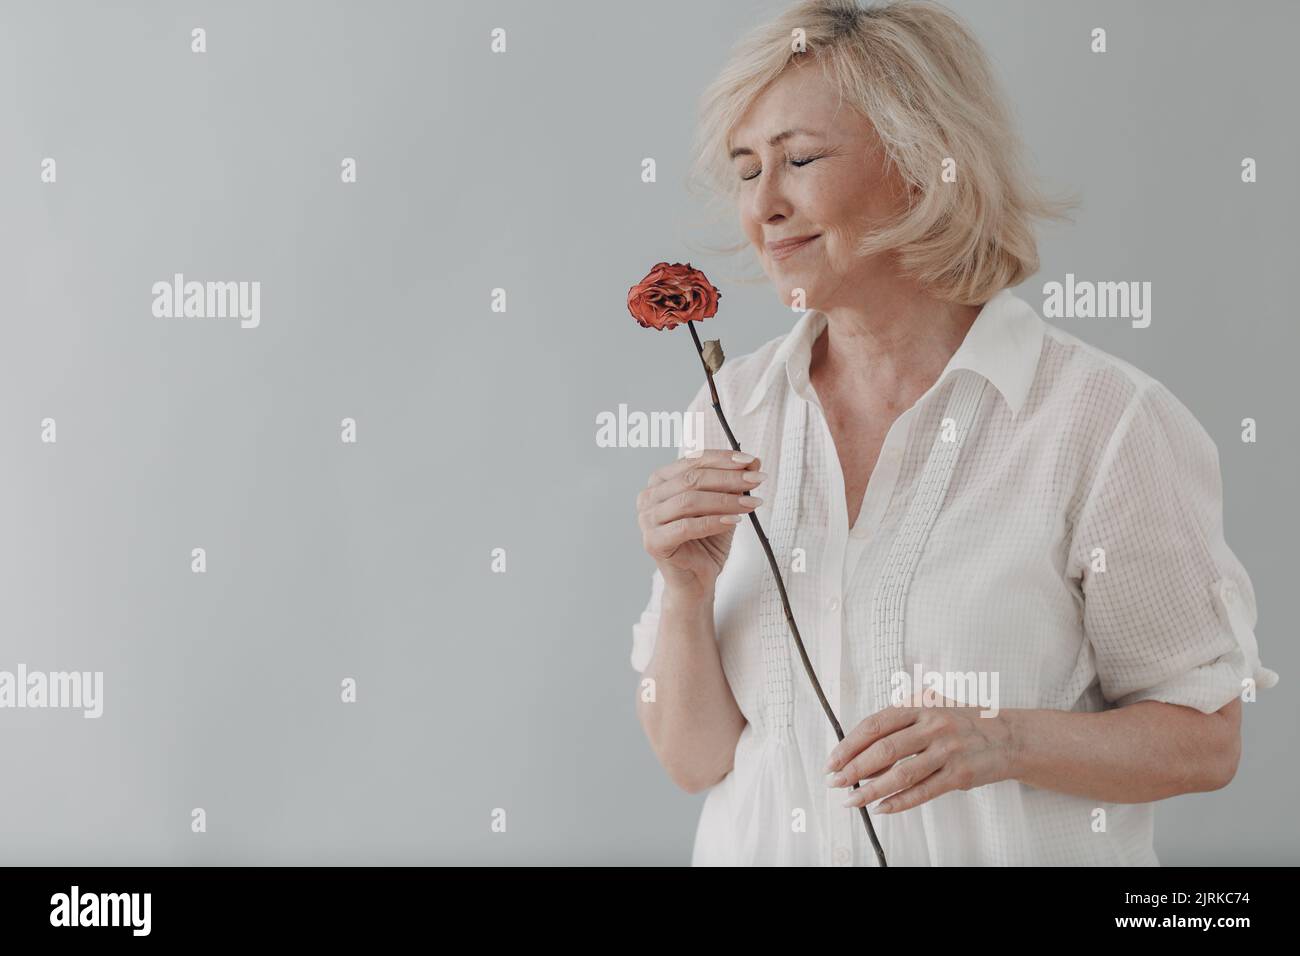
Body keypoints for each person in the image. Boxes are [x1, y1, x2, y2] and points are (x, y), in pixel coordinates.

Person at [630, 0, 1278, 866]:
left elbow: (1207, 741)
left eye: (800, 159)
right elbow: (693, 758)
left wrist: (1001, 741)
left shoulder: (1101, 421)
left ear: (923, 162)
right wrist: (683, 590)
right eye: (747, 171)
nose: (765, 207)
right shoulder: (733, 410)